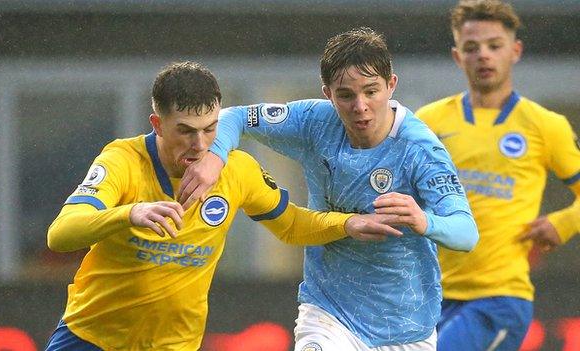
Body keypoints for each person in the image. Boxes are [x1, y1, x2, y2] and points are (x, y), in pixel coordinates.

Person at [44, 61, 404, 351]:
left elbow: (291, 225)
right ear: (157, 124)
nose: (200, 144)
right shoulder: (123, 160)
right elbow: (60, 234)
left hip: (174, 345)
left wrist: (345, 225)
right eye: (186, 130)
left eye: (211, 128)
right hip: (91, 338)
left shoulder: (236, 170)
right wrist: (130, 213)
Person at [178, 28, 479, 350]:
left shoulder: (420, 150)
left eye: (371, 91)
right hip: (329, 312)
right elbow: (234, 116)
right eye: (346, 95)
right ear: (328, 94)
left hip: (405, 327)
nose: (360, 106)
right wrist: (215, 156)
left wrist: (424, 221)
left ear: (391, 85)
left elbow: (466, 233)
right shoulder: (314, 121)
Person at [415, 1, 580, 350]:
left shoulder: (545, 126)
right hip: (431, 297)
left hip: (499, 299)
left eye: (494, 46)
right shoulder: (428, 122)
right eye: (472, 48)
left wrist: (563, 223)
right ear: (458, 57)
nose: (483, 56)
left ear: (515, 51)